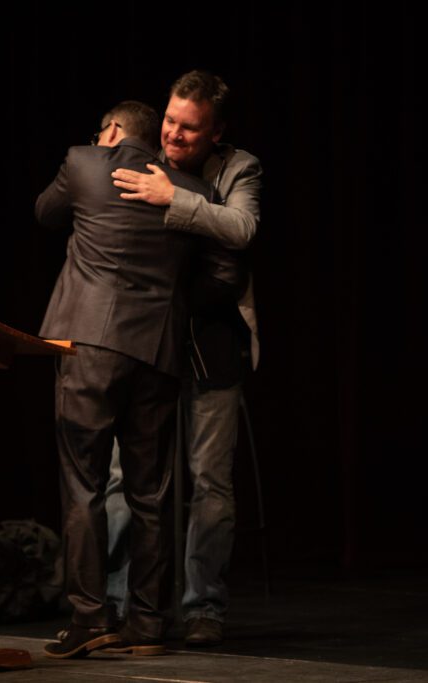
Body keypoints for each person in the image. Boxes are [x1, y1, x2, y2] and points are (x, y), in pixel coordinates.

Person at [36, 100, 213, 658]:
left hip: (89, 342)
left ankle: (89, 618)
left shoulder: (85, 162)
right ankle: (148, 624)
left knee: (84, 484)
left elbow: (44, 212)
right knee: (150, 492)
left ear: (112, 132)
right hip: (157, 351)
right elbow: (216, 272)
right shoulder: (191, 190)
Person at [107, 70, 262, 647]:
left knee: (210, 484)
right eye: (170, 121)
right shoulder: (140, 154)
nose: (173, 135)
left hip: (212, 344)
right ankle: (122, 604)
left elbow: (241, 227)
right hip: (142, 341)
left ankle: (203, 608)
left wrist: (175, 199)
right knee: (124, 480)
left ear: (215, 132)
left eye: (189, 129)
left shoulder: (238, 169)